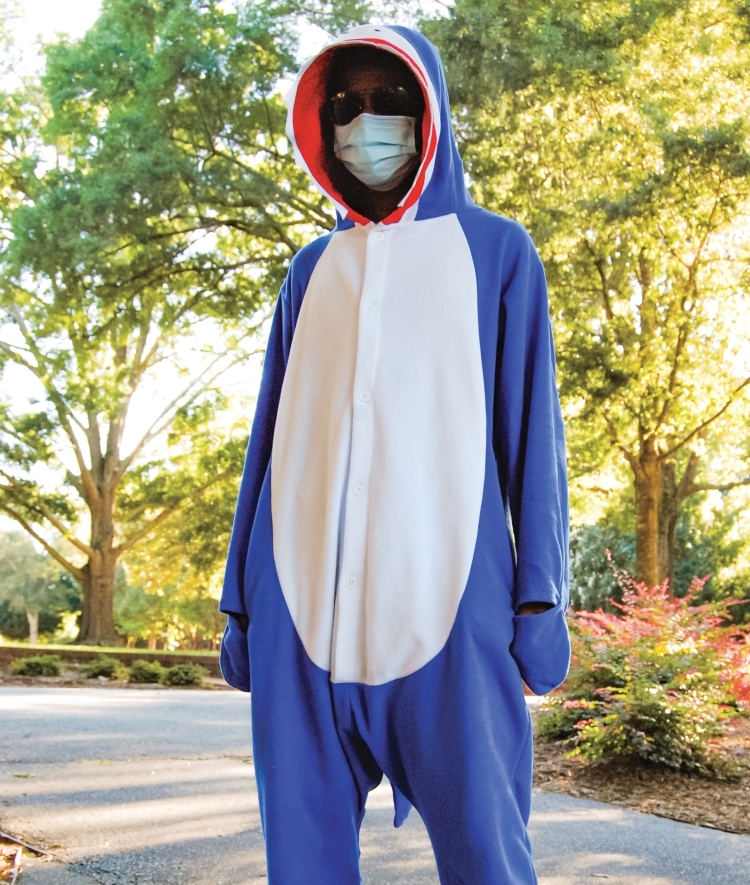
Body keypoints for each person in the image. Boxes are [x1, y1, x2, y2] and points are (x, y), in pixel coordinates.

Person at [219, 23, 570, 885]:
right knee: (300, 864)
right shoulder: (310, 271)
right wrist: (240, 598)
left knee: (488, 855)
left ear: (429, 115)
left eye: (388, 101)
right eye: (343, 106)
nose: (363, 121)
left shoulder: (497, 253)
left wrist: (540, 597)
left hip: (453, 614)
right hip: (301, 618)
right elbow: (267, 440)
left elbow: (535, 437)